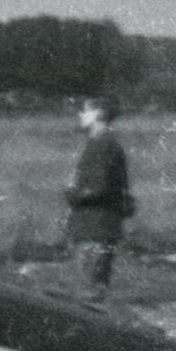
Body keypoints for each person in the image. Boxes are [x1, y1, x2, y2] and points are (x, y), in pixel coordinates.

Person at [62, 95, 132, 301]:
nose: (81, 114)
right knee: (93, 289)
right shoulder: (101, 144)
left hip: (95, 228)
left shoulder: (103, 145)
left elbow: (98, 187)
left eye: (86, 110)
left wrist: (72, 193)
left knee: (89, 293)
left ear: (99, 115)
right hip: (97, 227)